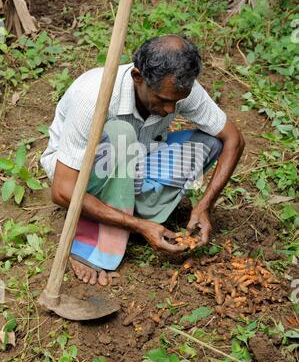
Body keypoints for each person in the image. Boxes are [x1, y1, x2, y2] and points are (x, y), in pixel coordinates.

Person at [40, 35, 245, 286]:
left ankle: (130, 207)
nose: (171, 110)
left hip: (136, 159)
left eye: (177, 101)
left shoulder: (179, 88)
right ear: (138, 77)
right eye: (163, 100)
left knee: (210, 143)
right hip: (81, 173)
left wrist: (204, 206)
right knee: (121, 134)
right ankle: (93, 245)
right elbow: (62, 190)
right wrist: (139, 226)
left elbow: (233, 139)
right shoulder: (93, 96)